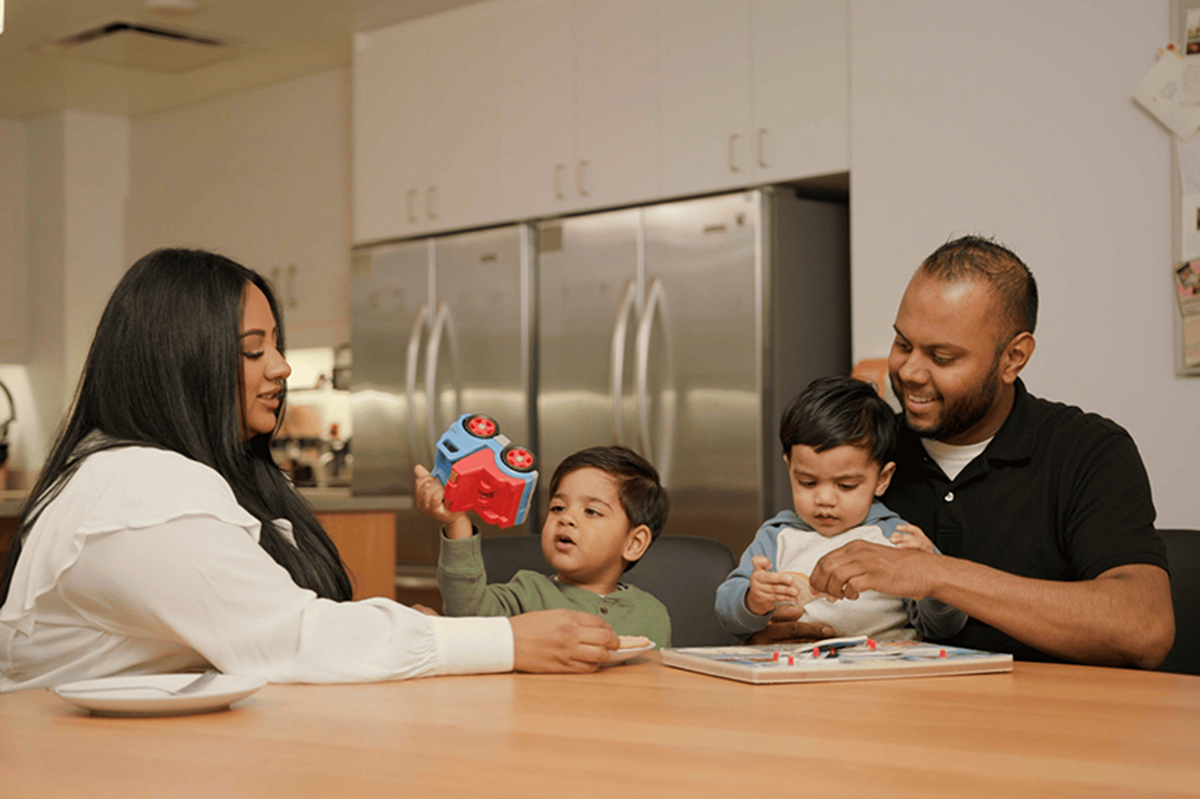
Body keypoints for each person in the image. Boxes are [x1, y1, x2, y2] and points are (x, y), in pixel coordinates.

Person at [0, 249, 618, 693]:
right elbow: (290, 637)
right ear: (181, 364)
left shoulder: (177, 475)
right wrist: (510, 642)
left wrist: (386, 625)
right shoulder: (139, 489)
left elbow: (265, 622)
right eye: (253, 349)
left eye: (276, 345)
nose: (282, 368)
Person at [753, 236, 1174, 669]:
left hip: (1042, 723)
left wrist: (935, 574)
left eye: (942, 356)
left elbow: (1144, 628)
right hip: (882, 719)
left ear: (1013, 358)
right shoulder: (862, 455)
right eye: (903, 344)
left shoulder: (1088, 451)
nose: (910, 371)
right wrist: (772, 633)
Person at [715, 376, 966, 643]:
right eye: (807, 482)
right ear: (789, 467)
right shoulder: (776, 537)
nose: (824, 499)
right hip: (798, 674)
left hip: (887, 674)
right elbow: (729, 616)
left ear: (882, 479)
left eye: (846, 485)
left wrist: (932, 577)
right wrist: (752, 600)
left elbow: (945, 626)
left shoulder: (899, 539)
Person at [414, 445, 672, 648]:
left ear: (634, 543)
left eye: (591, 511)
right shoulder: (526, 593)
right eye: (558, 507)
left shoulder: (654, 615)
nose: (566, 518)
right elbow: (467, 613)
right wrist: (457, 521)